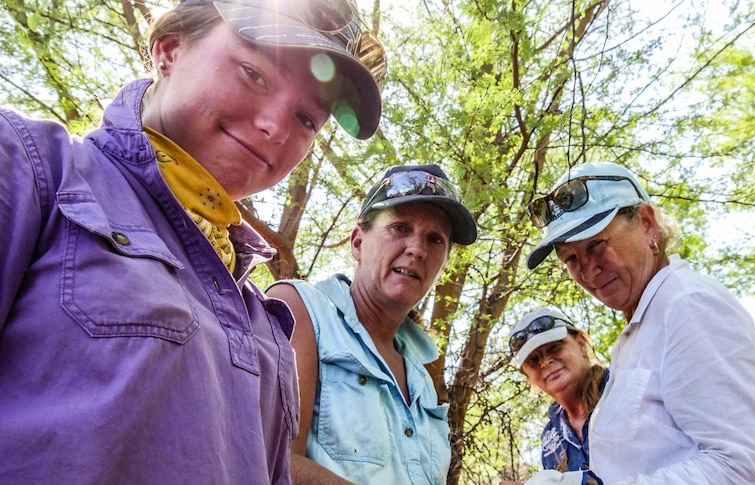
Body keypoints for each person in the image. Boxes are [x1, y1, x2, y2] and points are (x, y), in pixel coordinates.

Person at [0, 0, 385, 482]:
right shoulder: (34, 167)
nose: (275, 127)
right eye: (254, 73)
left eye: (307, 119)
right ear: (169, 51)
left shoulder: (264, 325)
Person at [523, 162, 755, 484]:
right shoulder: (642, 327)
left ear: (647, 224)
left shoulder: (687, 304)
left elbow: (748, 470)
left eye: (596, 244)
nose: (589, 270)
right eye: (571, 259)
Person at [265, 164, 478, 484]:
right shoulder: (302, 309)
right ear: (357, 242)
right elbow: (268, 458)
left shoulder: (421, 374)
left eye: (435, 239)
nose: (417, 249)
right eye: (400, 228)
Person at [504, 307, 607, 483]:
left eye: (554, 348)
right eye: (533, 360)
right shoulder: (550, 436)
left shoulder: (620, 390)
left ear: (581, 344)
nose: (545, 362)